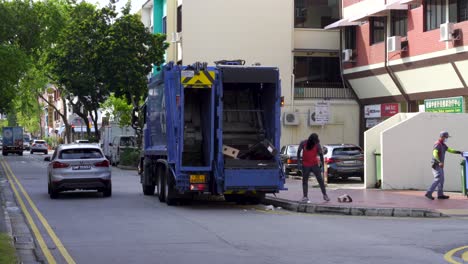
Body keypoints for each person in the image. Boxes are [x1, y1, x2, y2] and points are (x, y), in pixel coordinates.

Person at [425, 131, 463, 200]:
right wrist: (439, 162)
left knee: (441, 180)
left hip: (440, 165)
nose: (447, 138)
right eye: (446, 137)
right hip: (436, 164)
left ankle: (440, 195)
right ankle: (429, 193)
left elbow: (450, 150)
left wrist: (459, 152)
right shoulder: (437, 144)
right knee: (438, 178)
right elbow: (434, 153)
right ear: (442, 137)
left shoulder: (443, 144)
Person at [297, 133, 330, 203]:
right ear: (311, 140)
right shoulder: (303, 143)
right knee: (305, 181)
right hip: (305, 165)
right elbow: (298, 152)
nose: (316, 142)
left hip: (315, 165)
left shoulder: (317, 144)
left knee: (320, 180)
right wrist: (299, 162)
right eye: (315, 141)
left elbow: (321, 154)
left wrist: (322, 163)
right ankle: (305, 196)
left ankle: (325, 195)